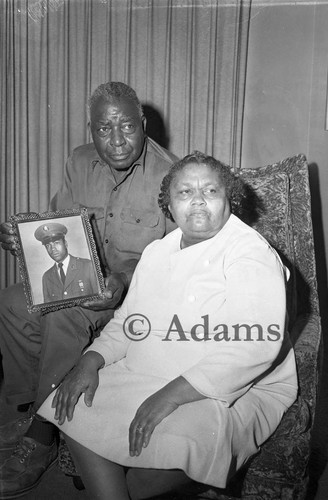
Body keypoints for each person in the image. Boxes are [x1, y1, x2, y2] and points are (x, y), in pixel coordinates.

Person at [38, 151, 298, 500]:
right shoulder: (157, 252)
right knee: (71, 402)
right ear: (169, 206)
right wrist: (91, 359)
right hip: (151, 368)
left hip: (229, 386)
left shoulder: (250, 254)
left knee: (184, 445)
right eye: (185, 193)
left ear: (229, 200)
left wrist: (170, 396)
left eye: (211, 191)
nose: (198, 202)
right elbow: (130, 321)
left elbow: (254, 347)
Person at [0, 82, 177, 497]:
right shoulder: (78, 161)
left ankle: (43, 437)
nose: (116, 141)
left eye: (127, 127)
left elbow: (174, 262)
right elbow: (61, 225)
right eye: (104, 128)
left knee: (64, 314)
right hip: (83, 279)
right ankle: (32, 409)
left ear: (144, 125)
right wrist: (23, 242)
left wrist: (123, 282)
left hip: (137, 296)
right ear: (90, 129)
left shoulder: (171, 173)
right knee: (11, 302)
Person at [34, 222, 98, 303]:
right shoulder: (47, 277)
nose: (52, 248)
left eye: (56, 243)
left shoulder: (88, 266)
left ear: (65, 244)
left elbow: (100, 302)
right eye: (48, 246)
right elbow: (49, 311)